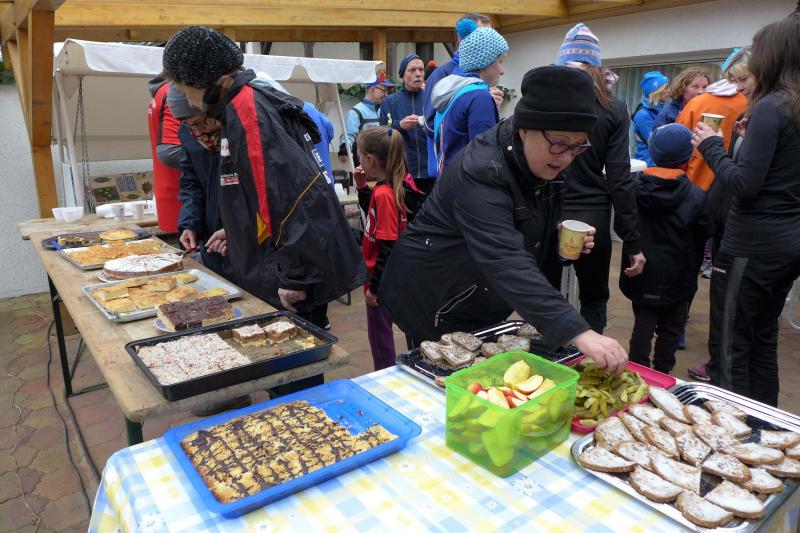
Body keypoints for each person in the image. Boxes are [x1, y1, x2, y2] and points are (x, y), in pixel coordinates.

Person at [380, 66, 629, 375]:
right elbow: (503, 257)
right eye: (560, 143)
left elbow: (522, 229)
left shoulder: (546, 161)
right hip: (435, 294)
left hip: (480, 291)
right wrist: (578, 331)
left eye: (579, 145)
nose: (567, 157)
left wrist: (557, 242)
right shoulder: (482, 169)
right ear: (525, 129)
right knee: (446, 382)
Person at [162, 26, 366, 331]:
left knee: (297, 352)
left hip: (288, 275)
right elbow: (263, 193)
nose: (188, 99)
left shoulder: (247, 109)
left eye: (182, 86)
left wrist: (295, 278)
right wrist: (239, 232)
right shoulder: (243, 104)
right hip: (278, 264)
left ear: (201, 80)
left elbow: (290, 198)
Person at [691, 7, 800, 406]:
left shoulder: (771, 106)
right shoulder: (792, 106)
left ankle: (732, 427)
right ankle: (764, 425)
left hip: (753, 244)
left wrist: (711, 147)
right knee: (762, 339)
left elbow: (744, 185)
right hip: (787, 244)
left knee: (731, 345)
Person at [554, 22, 645, 334]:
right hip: (592, 214)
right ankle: (590, 358)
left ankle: (549, 356)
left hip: (550, 209)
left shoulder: (548, 103)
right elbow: (619, 178)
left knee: (546, 295)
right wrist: (632, 240)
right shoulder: (613, 108)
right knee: (593, 298)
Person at [687, 48, 756, 382]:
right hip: (727, 214)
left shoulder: (767, 112)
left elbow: (742, 181)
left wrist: (712, 146)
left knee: (727, 303)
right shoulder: (753, 110)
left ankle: (722, 373)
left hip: (734, 222)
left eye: (742, 79)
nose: (738, 87)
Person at [620, 124, 712, 374]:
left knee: (643, 325)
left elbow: (623, 225)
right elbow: (706, 230)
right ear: (688, 157)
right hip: (679, 276)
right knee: (671, 329)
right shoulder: (696, 196)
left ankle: (637, 372)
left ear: (652, 151)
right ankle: (662, 374)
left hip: (641, 273)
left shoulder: (633, 189)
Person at [167, 85, 236, 283]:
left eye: (199, 122)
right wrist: (190, 224)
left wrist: (235, 232)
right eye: (188, 124)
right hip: (211, 244)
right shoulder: (189, 134)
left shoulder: (239, 132)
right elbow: (191, 183)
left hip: (243, 245)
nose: (196, 131)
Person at [354, 127, 409, 371]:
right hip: (387, 277)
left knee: (380, 338)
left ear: (370, 160)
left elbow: (388, 244)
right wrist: (362, 188)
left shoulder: (385, 194)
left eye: (359, 155)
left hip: (380, 279)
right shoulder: (384, 189)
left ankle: (384, 375)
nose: (358, 160)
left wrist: (374, 289)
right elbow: (373, 216)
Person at [423, 13, 499, 178]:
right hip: (453, 170)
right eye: (482, 36)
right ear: (461, 37)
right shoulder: (442, 73)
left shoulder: (483, 71)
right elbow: (430, 125)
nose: (489, 42)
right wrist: (476, 103)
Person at [675, 70, 748, 192]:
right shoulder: (751, 104)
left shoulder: (696, 104)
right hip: (736, 186)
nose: (700, 90)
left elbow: (678, 148)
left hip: (697, 185)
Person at [380, 54, 432, 192]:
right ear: (403, 75)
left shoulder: (432, 99)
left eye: (421, 70)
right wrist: (400, 125)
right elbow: (382, 134)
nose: (418, 74)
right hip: (402, 173)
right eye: (412, 70)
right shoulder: (390, 102)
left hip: (430, 172)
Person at [147, 75, 183, 233]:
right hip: (182, 196)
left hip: (173, 192)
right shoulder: (175, 91)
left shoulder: (161, 92)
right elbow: (170, 151)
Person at [338, 78, 394, 167]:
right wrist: (344, 148)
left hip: (383, 163)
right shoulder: (355, 111)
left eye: (387, 92)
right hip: (364, 165)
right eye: (384, 91)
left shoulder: (383, 110)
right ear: (373, 89)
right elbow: (348, 135)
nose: (386, 95)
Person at [632, 71, 670, 166]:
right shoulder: (643, 115)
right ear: (655, 91)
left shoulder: (661, 110)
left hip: (658, 163)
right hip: (647, 164)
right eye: (665, 88)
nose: (669, 91)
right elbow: (655, 143)